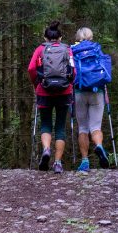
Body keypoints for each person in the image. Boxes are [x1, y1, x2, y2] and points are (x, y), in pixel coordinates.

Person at [27, 21, 74, 172]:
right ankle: (58, 163)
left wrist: (37, 84)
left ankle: (46, 149)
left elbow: (31, 68)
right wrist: (70, 83)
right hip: (64, 91)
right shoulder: (67, 49)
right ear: (60, 37)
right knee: (60, 127)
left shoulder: (40, 49)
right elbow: (73, 70)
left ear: (45, 37)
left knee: (46, 123)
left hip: (44, 90)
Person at [71, 27, 111, 172]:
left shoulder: (73, 51)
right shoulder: (97, 49)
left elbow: (71, 72)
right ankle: (99, 146)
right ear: (91, 36)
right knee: (95, 126)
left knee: (83, 128)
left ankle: (85, 161)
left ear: (78, 37)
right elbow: (105, 71)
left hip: (80, 92)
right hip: (97, 92)